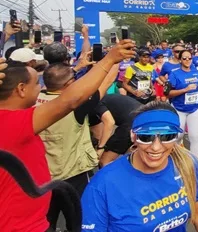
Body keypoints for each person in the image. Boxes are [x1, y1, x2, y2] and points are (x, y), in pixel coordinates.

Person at [0, 40, 134, 231]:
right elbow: (70, 100)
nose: (40, 85)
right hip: (26, 222)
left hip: (40, 201)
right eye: (35, 83)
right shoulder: (12, 122)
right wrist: (110, 59)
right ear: (21, 89)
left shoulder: (30, 109)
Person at [81, 102, 198, 231]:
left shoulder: (188, 165)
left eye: (167, 136)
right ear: (133, 136)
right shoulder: (102, 185)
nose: (156, 147)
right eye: (146, 137)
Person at [37, 59, 119, 231]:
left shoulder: (32, 101)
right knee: (77, 222)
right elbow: (107, 81)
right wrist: (115, 57)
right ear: (69, 84)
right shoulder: (77, 104)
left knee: (45, 223)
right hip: (74, 175)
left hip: (42, 177)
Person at [168, 50, 198, 156]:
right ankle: (176, 158)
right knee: (178, 135)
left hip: (195, 108)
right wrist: (184, 90)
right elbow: (169, 93)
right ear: (180, 60)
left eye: (189, 58)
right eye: (184, 58)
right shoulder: (174, 73)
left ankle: (195, 163)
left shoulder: (195, 71)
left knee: (194, 136)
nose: (187, 60)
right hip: (179, 108)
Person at [91, 94, 141, 167]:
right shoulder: (107, 98)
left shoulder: (95, 103)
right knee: (131, 160)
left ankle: (109, 177)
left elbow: (110, 123)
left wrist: (100, 148)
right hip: (142, 119)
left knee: (104, 161)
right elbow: (97, 131)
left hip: (130, 124)